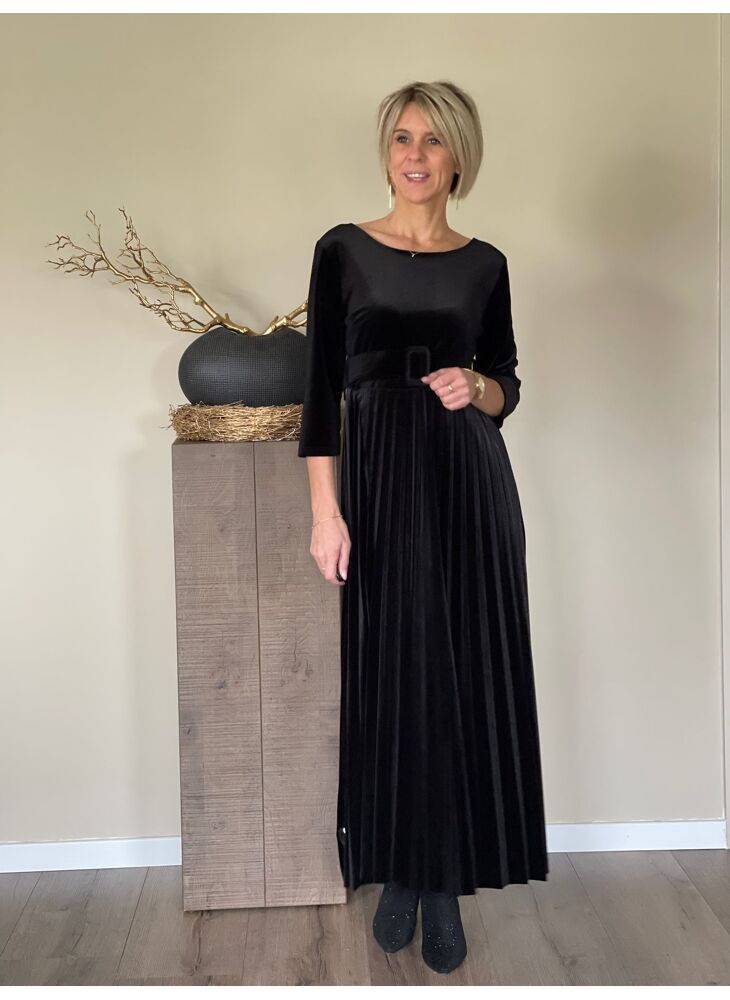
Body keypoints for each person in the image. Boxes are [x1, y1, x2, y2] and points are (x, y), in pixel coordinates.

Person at [297, 79, 549, 976]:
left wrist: (476, 386)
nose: (415, 155)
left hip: (468, 485)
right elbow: (319, 391)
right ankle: (401, 868)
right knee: (394, 674)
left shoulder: (486, 264)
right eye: (402, 138)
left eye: (433, 140)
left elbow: (507, 383)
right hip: (377, 488)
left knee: (459, 675)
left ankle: (441, 885)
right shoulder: (342, 250)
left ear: (458, 158)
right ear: (387, 153)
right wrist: (326, 513)